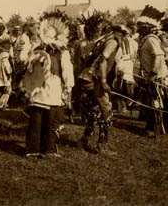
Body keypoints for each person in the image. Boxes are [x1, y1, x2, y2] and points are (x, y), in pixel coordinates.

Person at [22, 12, 74, 158]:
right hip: (46, 88)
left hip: (46, 88)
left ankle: (37, 148)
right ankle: (43, 149)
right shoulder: (40, 50)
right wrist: (68, 87)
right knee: (44, 119)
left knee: (42, 118)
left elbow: (66, 70)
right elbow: (67, 71)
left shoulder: (55, 52)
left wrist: (68, 86)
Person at [77, 13, 126, 154]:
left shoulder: (104, 39)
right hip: (95, 79)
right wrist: (104, 82)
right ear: (118, 32)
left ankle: (85, 139)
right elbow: (103, 59)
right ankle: (102, 145)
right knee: (106, 110)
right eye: (123, 34)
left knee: (94, 109)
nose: (123, 37)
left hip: (87, 77)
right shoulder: (113, 41)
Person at [136, 5, 168, 137]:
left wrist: (153, 74)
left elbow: (158, 56)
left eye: (140, 26)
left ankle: (155, 128)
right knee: (153, 101)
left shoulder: (151, 39)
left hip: (156, 76)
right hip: (152, 75)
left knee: (157, 101)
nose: (137, 28)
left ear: (146, 27)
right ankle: (158, 126)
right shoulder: (146, 39)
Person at [113, 24, 138, 115]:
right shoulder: (121, 43)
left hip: (126, 64)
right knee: (121, 84)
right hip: (123, 63)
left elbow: (134, 54)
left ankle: (126, 104)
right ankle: (123, 105)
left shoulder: (132, 43)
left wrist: (132, 58)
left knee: (124, 84)